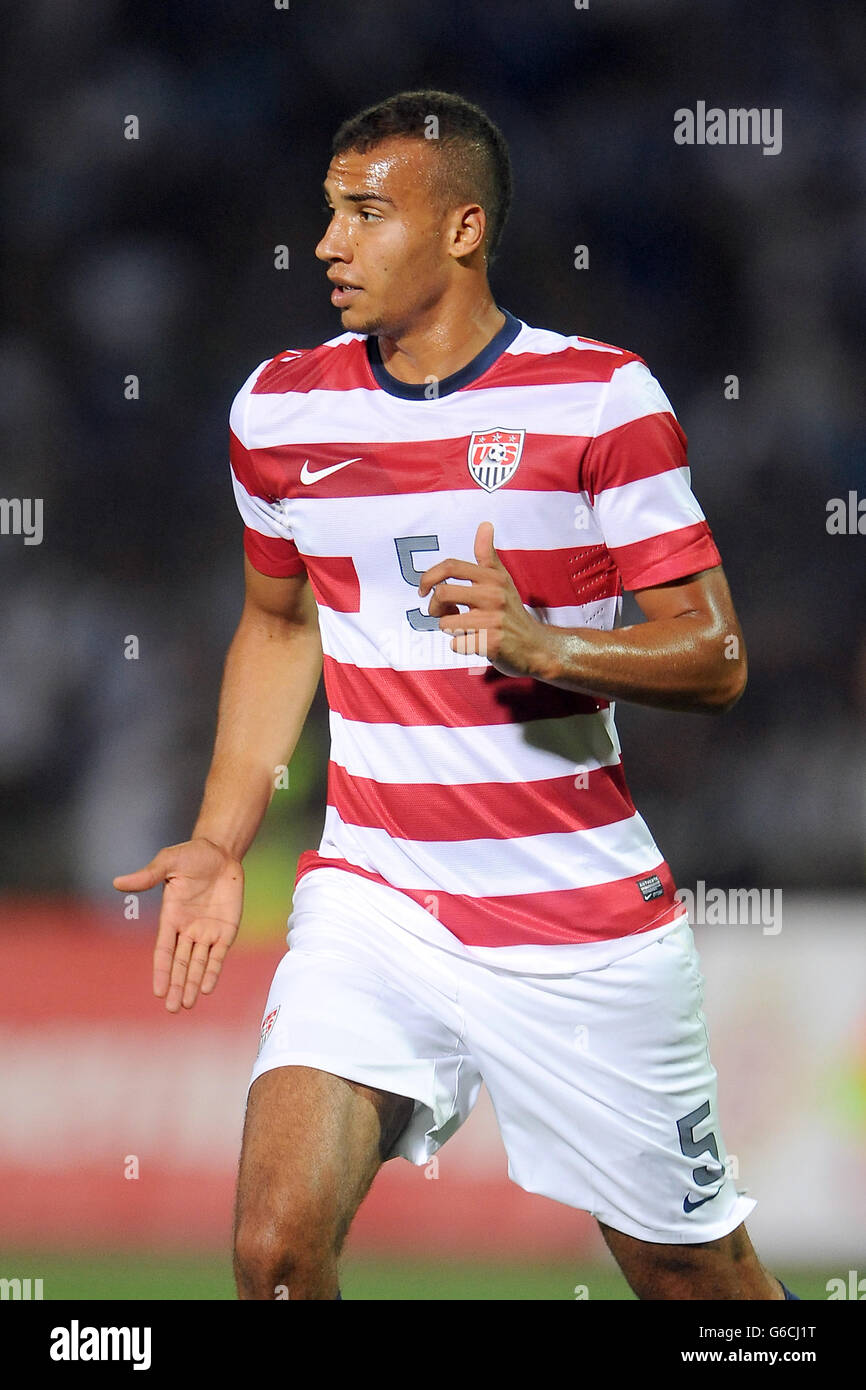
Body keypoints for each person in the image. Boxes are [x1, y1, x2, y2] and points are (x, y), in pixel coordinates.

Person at [114, 89, 797, 1302]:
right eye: (327, 212)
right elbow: (278, 627)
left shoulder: (598, 400)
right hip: (374, 897)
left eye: (366, 213)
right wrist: (222, 841)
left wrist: (546, 643)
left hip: (575, 917)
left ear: (462, 229)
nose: (327, 243)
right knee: (272, 1255)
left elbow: (715, 653)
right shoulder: (279, 410)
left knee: (695, 1284)